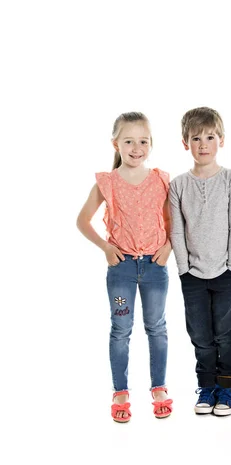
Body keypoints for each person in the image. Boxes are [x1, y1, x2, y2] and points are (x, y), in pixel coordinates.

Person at [76, 112, 173, 423]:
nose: (136, 147)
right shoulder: (108, 183)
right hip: (122, 269)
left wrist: (168, 247)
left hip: (155, 268)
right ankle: (120, 392)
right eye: (129, 141)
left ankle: (159, 388)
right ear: (115, 144)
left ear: (151, 144)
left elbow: (174, 222)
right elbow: (82, 221)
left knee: (156, 327)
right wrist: (106, 247)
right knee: (121, 329)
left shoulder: (160, 180)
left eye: (143, 141)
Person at [170, 107, 231, 416]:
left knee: (225, 333)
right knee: (200, 334)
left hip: (227, 271)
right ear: (185, 142)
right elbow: (176, 228)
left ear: (222, 140)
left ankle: (227, 386)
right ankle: (207, 385)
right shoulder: (178, 185)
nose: (203, 144)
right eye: (196, 138)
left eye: (210, 137)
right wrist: (184, 269)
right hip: (193, 276)